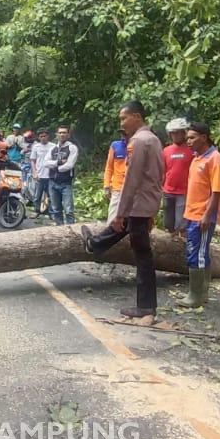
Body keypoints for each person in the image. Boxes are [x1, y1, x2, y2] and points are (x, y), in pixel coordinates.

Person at [79, 101, 164, 317]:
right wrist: (152, 210)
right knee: (141, 250)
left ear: (136, 116)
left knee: (143, 256)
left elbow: (131, 181)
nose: (122, 123)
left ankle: (145, 307)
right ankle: (95, 244)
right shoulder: (154, 139)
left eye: (123, 118)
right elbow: (156, 177)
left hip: (136, 206)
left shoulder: (137, 141)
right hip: (146, 205)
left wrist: (120, 213)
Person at [177, 122, 220, 309]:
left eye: (192, 138)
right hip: (192, 213)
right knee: (195, 251)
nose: (188, 141)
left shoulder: (215, 158)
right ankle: (201, 292)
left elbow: (217, 191)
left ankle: (196, 295)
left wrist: (207, 215)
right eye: (187, 138)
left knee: (198, 254)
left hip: (203, 216)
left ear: (204, 138)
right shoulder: (197, 158)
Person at [161, 117, 193, 234]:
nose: (175, 135)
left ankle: (182, 245)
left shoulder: (191, 150)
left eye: (177, 133)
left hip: (183, 192)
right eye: (172, 133)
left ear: (183, 133)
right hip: (168, 191)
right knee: (168, 223)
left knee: (181, 224)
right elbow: (163, 171)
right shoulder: (166, 151)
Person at [47, 125, 79, 225]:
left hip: (66, 183)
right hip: (52, 182)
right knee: (56, 209)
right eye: (60, 132)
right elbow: (45, 163)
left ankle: (72, 233)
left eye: (64, 132)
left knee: (68, 210)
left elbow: (69, 165)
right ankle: (60, 232)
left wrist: (54, 166)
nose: (62, 134)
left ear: (68, 135)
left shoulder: (72, 148)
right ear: (57, 134)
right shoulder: (53, 149)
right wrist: (59, 162)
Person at [102, 129, 127, 223]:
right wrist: (106, 185)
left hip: (133, 189)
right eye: (122, 134)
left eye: (125, 134)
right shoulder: (115, 145)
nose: (123, 136)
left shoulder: (137, 146)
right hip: (117, 187)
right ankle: (109, 235)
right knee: (112, 217)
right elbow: (109, 168)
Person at [29, 128, 53, 218]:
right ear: (38, 137)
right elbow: (32, 160)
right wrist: (34, 172)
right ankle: (37, 211)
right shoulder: (36, 147)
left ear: (48, 136)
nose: (43, 138)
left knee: (51, 195)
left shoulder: (53, 146)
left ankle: (51, 212)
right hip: (39, 174)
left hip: (50, 175)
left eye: (45, 136)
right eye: (41, 136)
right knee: (37, 195)